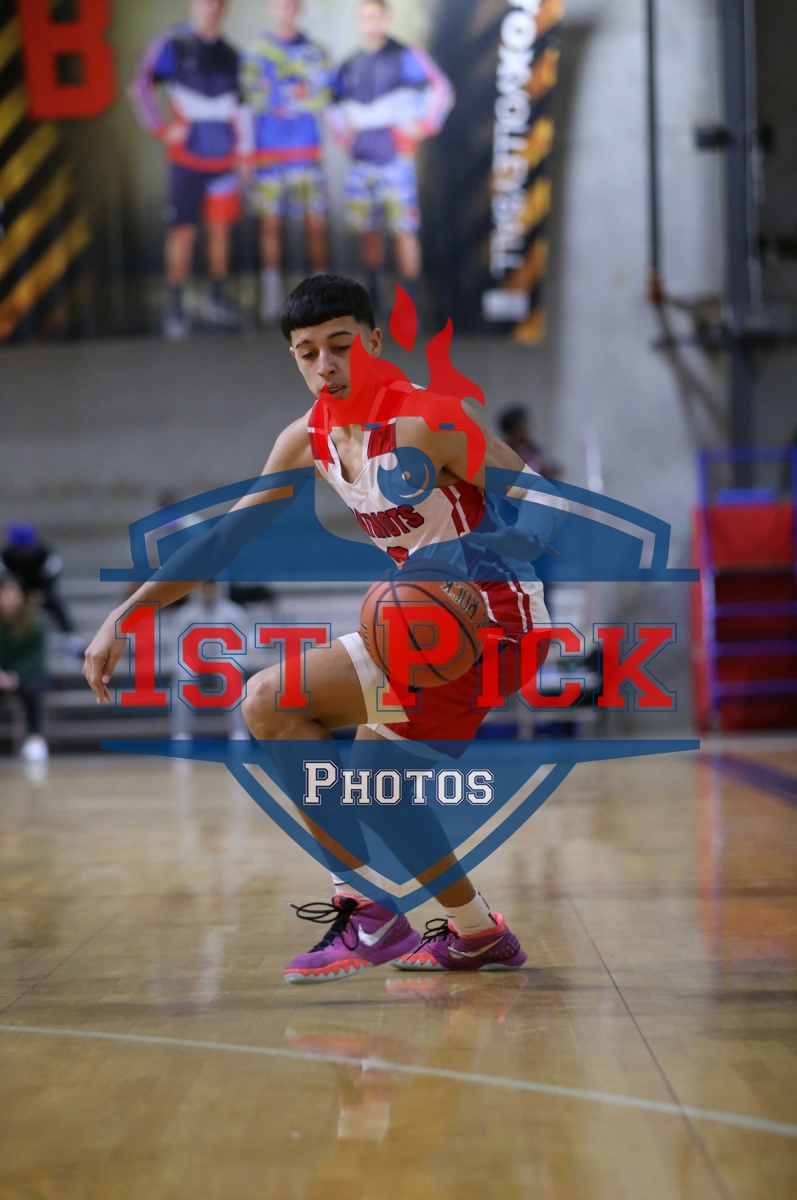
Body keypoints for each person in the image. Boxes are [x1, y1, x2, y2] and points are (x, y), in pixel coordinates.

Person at [83, 275, 562, 983]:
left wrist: (502, 545)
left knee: (371, 780)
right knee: (269, 703)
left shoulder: (428, 420)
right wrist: (125, 614)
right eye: (307, 352)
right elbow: (223, 541)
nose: (326, 365)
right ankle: (466, 931)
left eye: (341, 345)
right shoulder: (305, 440)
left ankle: (381, 912)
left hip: (495, 623)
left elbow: (543, 497)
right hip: (418, 623)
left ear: (375, 340)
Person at [129, 0, 248, 341]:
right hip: (186, 161)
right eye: (202, 2)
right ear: (191, 6)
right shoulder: (172, 45)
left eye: (215, 3)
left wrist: (244, 153)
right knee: (183, 232)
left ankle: (217, 299)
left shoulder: (232, 54)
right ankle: (175, 305)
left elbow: (242, 108)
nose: (209, 8)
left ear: (223, 8)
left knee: (220, 231)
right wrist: (161, 129)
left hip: (224, 160)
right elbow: (140, 85)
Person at [326, 0, 453, 316]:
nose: (371, 22)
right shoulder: (348, 65)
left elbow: (441, 91)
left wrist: (421, 128)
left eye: (376, 16)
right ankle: (372, 300)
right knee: (368, 232)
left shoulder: (406, 56)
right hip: (361, 164)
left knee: (403, 231)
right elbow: (330, 105)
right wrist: (345, 137)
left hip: (395, 162)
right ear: (359, 21)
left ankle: (411, 305)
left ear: (385, 18)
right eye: (365, 17)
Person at [241, 0, 331, 323]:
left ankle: (323, 296)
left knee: (315, 225)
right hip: (268, 154)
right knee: (270, 225)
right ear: (272, 8)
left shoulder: (316, 52)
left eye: (291, 5)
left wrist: (277, 93)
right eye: (280, 5)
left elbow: (322, 96)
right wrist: (295, 92)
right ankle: (271, 298)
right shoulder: (256, 53)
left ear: (299, 9)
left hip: (306, 151)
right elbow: (251, 97)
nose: (286, 10)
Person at [167, 581, 250, 739]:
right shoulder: (185, 614)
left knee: (233, 678)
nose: (208, 592)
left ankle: (239, 731)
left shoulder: (233, 613)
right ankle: (181, 732)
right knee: (183, 679)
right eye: (205, 588)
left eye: (211, 588)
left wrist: (235, 661)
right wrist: (183, 664)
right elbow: (177, 645)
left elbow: (245, 642)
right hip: (193, 659)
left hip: (225, 659)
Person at [0, 576, 49, 762]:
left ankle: (35, 736)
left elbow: (36, 658)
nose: (9, 600)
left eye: (13, 595)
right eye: (5, 594)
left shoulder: (33, 624)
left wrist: (15, 675)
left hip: (25, 676)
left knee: (33, 689)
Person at [2, 521, 75, 635]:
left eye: (26, 548)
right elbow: (4, 578)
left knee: (55, 604)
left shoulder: (45, 554)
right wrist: (12, 592)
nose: (24, 553)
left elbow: (52, 574)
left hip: (40, 588)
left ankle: (69, 635)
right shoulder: (5, 556)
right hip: (15, 591)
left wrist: (42, 593)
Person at [498, 407, 559, 480]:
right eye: (524, 424)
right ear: (513, 429)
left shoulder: (533, 449)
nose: (528, 428)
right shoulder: (505, 453)